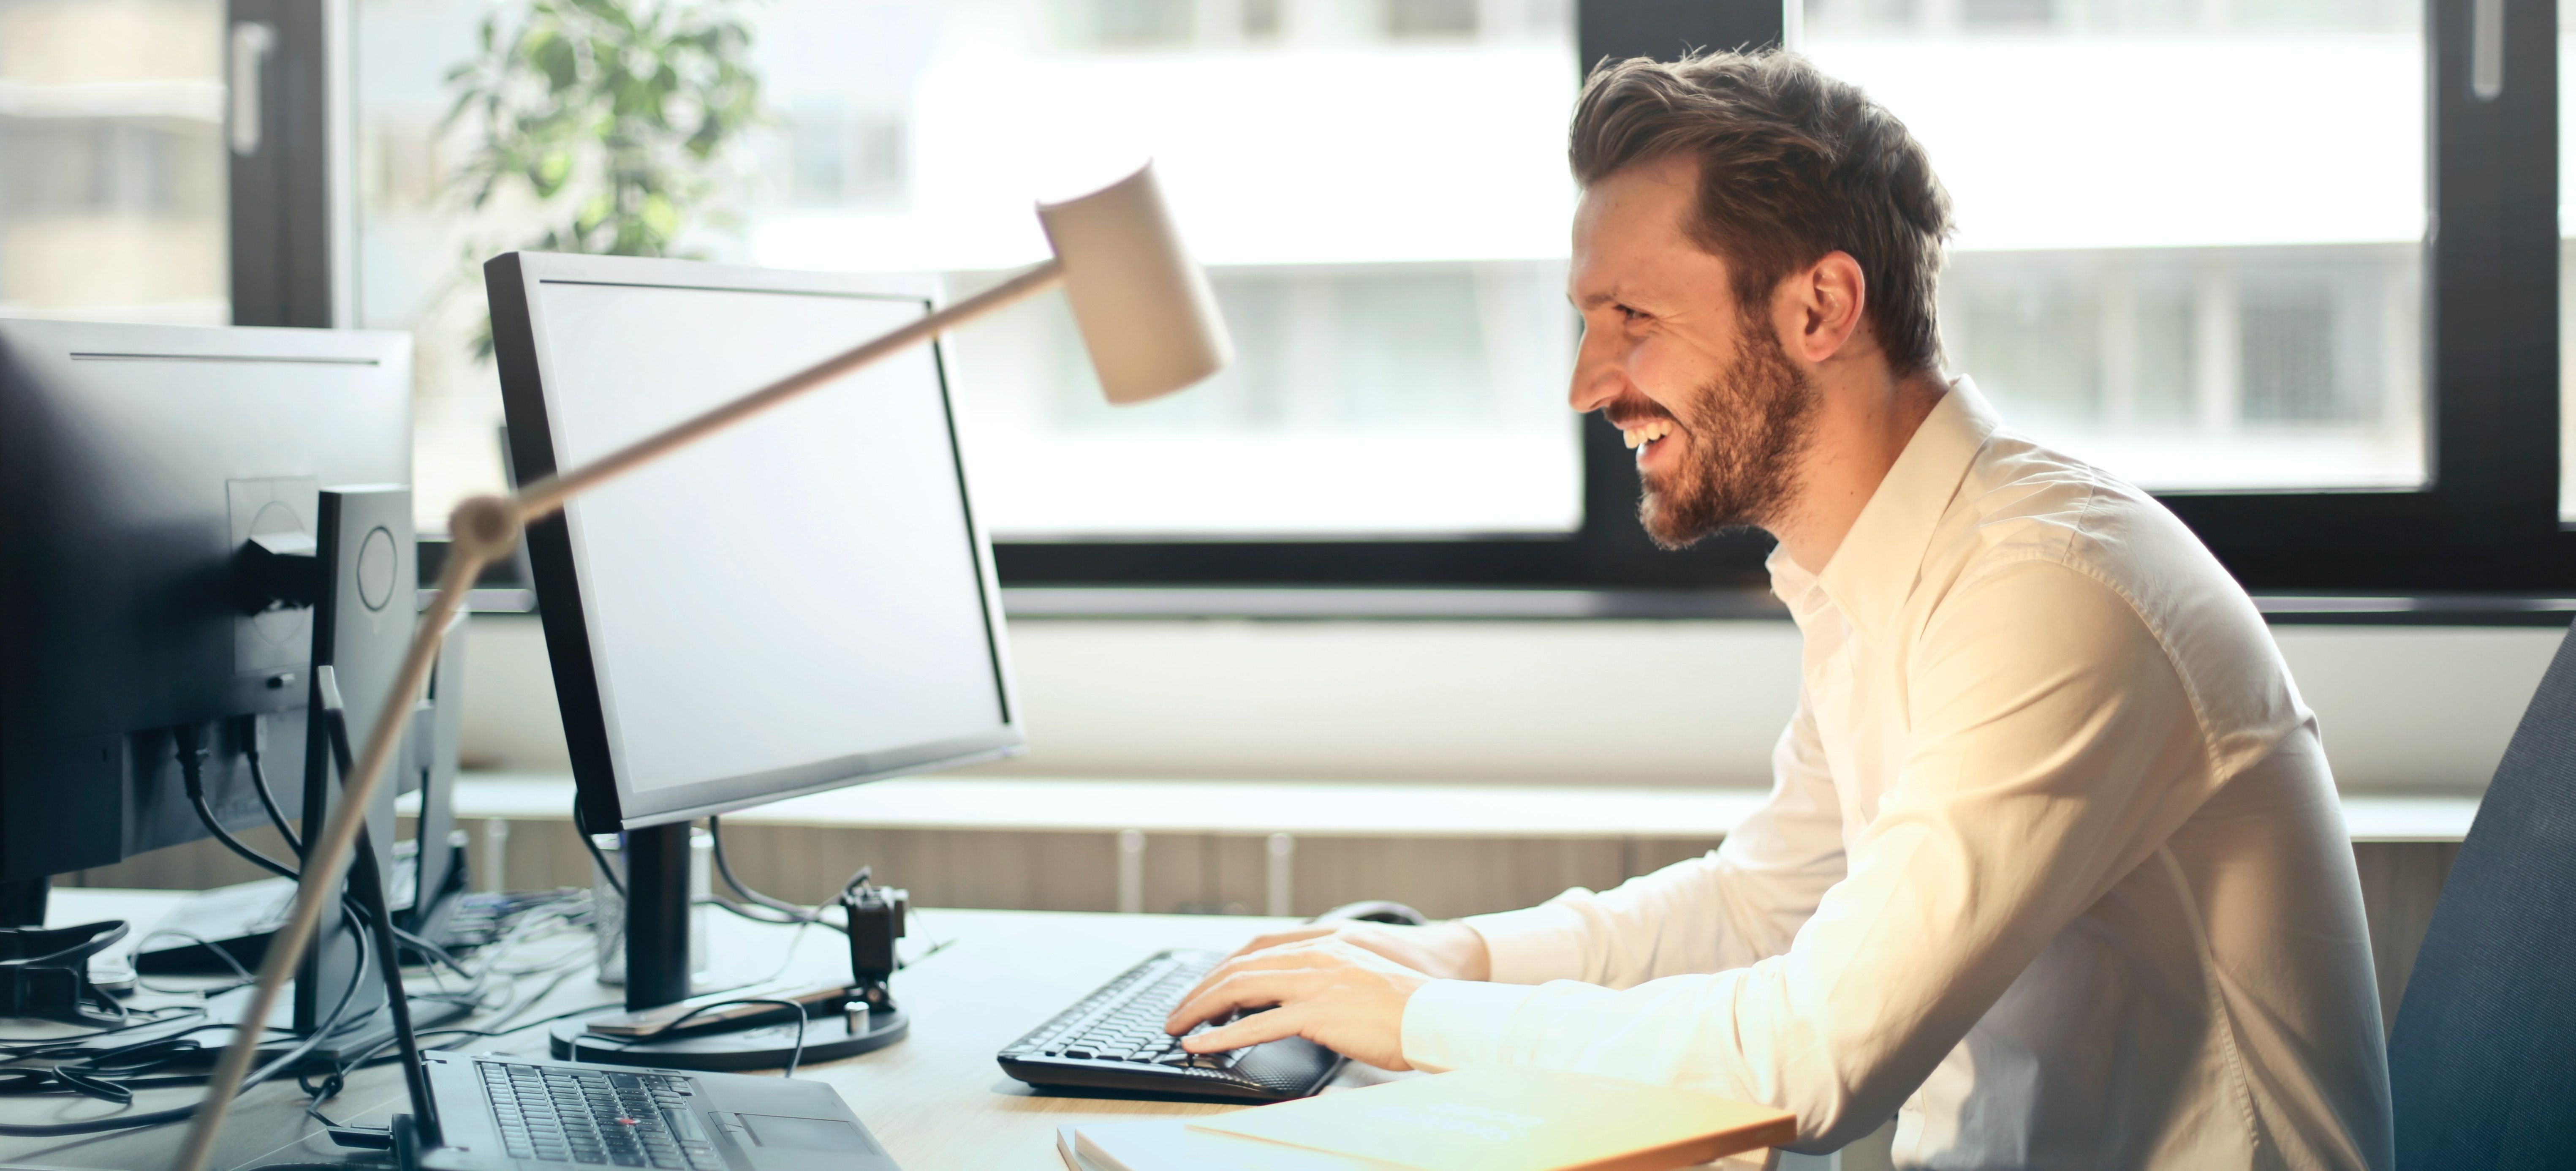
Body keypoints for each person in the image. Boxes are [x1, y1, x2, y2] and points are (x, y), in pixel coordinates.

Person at [1161, 49, 2392, 1171]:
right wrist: (1454, 958)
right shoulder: (1877, 568)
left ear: (1820, 309)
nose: (1588, 382)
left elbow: (1815, 1062)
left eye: (1631, 319)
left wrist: (1414, 1020)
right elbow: (1763, 904)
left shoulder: (2051, 592)